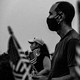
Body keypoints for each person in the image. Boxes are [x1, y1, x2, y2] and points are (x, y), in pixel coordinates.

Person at [46, 1, 80, 80]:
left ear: (61, 16)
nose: (48, 18)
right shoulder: (60, 44)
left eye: (51, 14)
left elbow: (75, 76)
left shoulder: (73, 40)